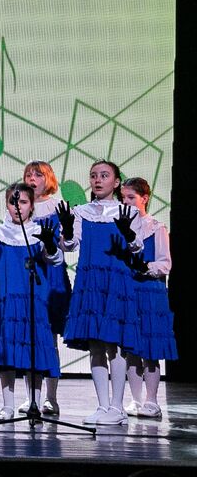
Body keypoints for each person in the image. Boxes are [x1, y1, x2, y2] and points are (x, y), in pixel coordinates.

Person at [60, 160, 140, 426]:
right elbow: (69, 245)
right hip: (90, 282)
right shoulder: (81, 211)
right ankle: (103, 405)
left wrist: (129, 235)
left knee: (114, 345)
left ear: (116, 182)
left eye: (104, 175)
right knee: (95, 345)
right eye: (93, 175)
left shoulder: (127, 211)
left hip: (116, 282)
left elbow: (138, 248)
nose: (97, 180)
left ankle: (117, 406)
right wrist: (67, 229)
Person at [0, 182, 61, 420]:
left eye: (23, 202)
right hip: (8, 303)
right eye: (13, 202)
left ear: (32, 205)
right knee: (7, 354)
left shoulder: (38, 232)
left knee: (35, 354)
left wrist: (50, 243)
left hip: (34, 303)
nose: (17, 207)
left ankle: (34, 402)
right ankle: (8, 406)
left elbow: (55, 259)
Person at [117, 177, 175, 420]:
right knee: (130, 350)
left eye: (131, 197)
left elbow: (165, 264)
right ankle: (136, 400)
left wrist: (145, 267)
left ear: (144, 198)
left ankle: (152, 401)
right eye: (123, 198)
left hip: (151, 292)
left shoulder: (156, 227)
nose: (126, 202)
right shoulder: (120, 228)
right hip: (128, 291)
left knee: (150, 349)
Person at [22, 160, 70, 414]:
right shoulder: (21, 205)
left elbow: (67, 244)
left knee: (49, 340)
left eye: (38, 175)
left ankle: (51, 397)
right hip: (28, 274)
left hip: (51, 275)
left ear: (48, 179)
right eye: (29, 175)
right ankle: (31, 396)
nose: (32, 179)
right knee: (28, 339)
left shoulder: (57, 206)